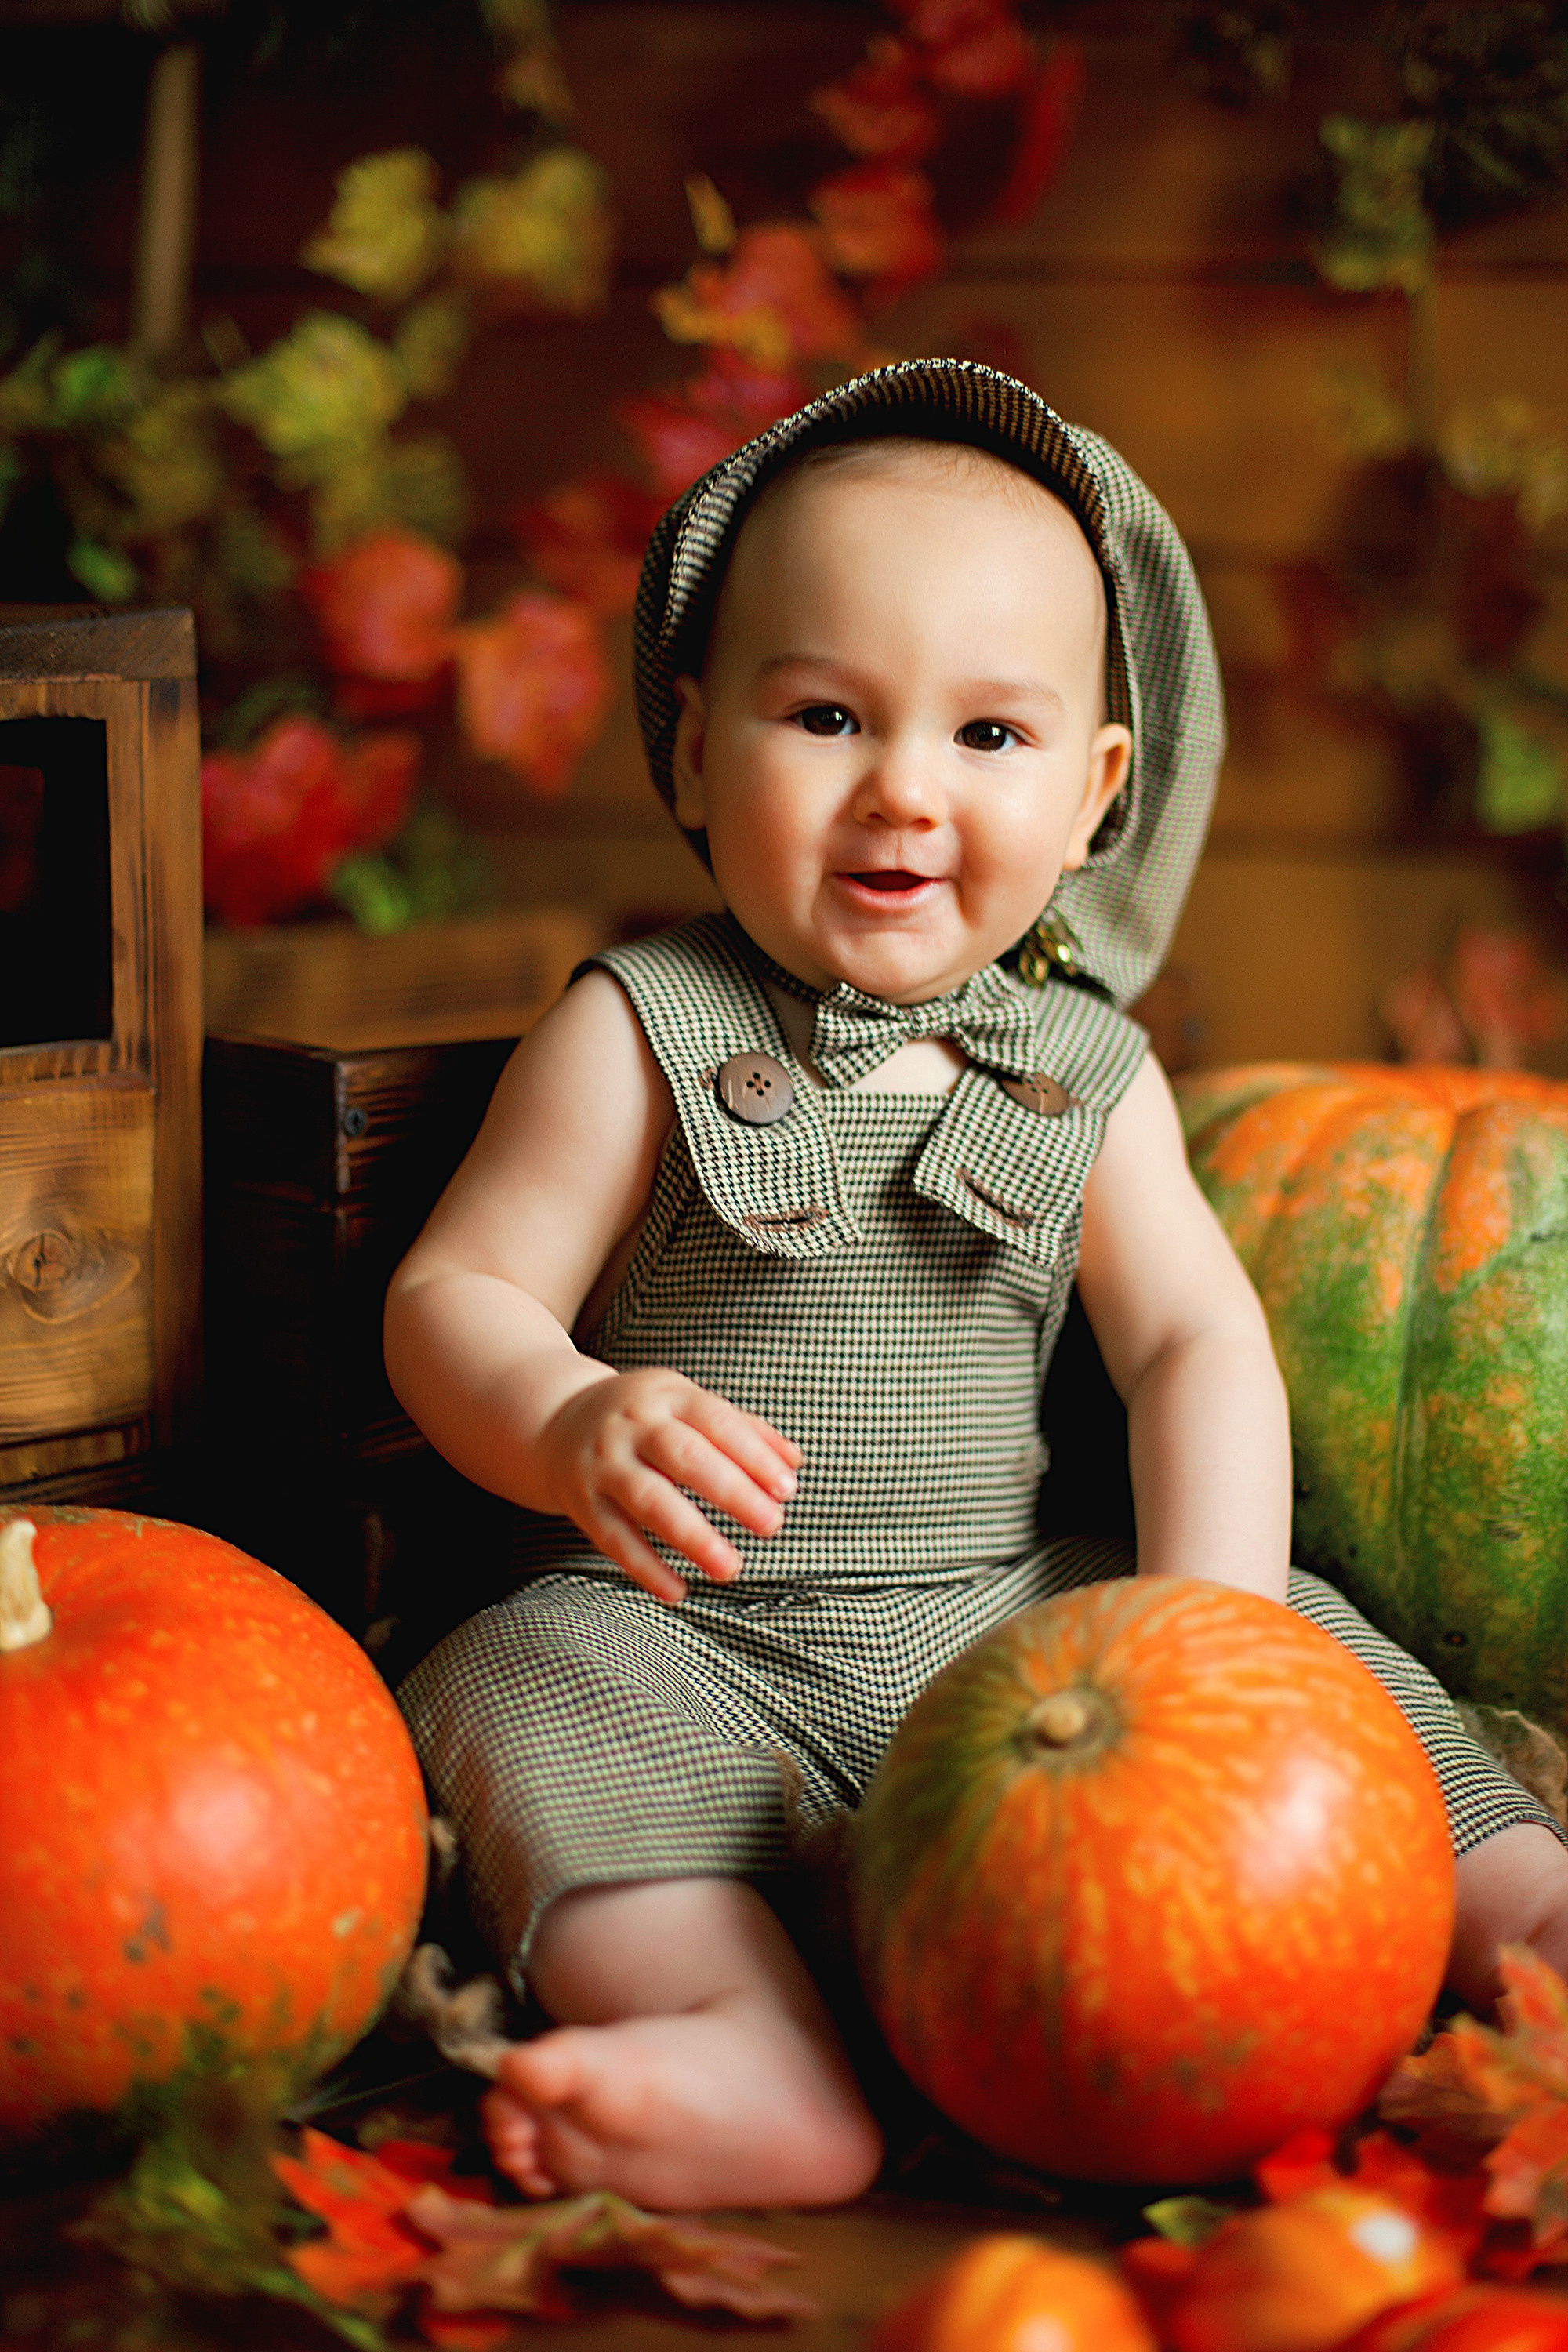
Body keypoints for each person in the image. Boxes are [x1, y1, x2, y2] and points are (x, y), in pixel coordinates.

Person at [387, 360, 1568, 2215]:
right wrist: (565, 1414)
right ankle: (743, 2042)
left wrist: (1207, 1639)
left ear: (1094, 794)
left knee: (1329, 1647)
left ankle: (1527, 1923)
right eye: (826, 716)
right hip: (692, 1634)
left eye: (989, 736)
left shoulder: (1089, 1074)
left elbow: (1191, 1342)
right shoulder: (638, 1031)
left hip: (1021, 1619)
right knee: (514, 1680)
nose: (903, 793)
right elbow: (455, 1291)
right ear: (692, 750)